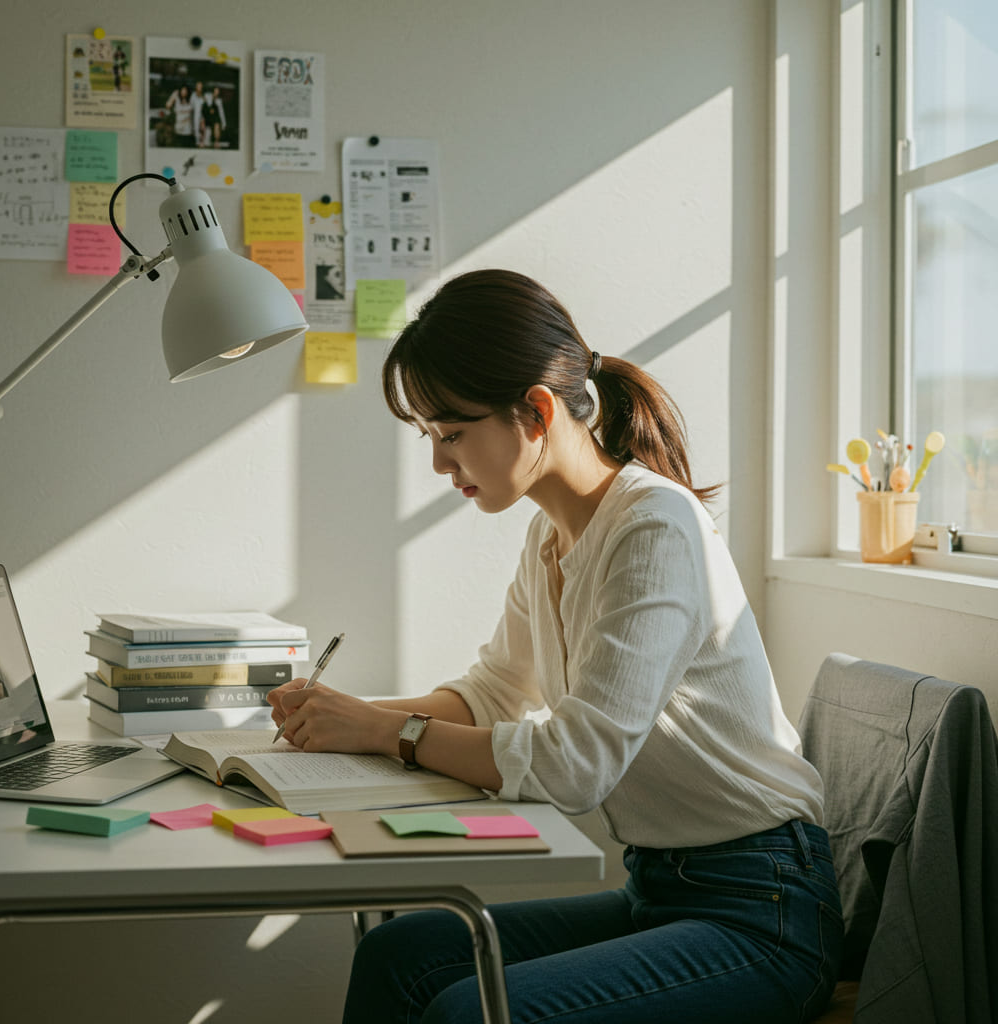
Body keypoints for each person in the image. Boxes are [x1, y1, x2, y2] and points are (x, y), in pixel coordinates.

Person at [268, 269, 843, 1023]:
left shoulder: (653, 526)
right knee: (397, 956)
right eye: (430, 438)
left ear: (535, 410)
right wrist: (340, 717)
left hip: (762, 912)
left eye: (451, 434)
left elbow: (576, 764)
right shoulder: (552, 533)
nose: (440, 464)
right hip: (660, 890)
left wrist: (384, 731)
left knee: (463, 1012)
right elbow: (493, 695)